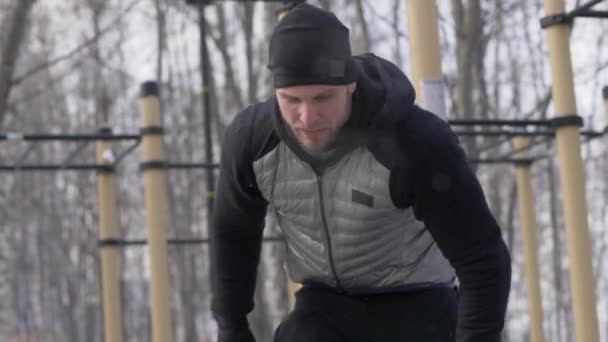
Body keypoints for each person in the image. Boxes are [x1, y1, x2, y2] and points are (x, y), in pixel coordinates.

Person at [210, 3, 511, 342]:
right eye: (292, 99)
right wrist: (231, 328)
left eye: (323, 98)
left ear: (350, 85)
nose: (308, 118)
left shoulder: (414, 143)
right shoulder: (254, 142)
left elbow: (483, 261)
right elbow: (233, 233)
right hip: (324, 309)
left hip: (419, 303)